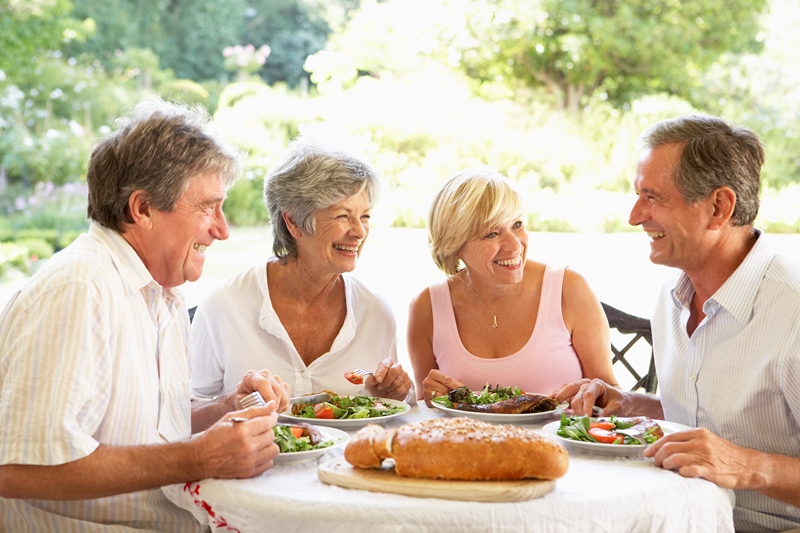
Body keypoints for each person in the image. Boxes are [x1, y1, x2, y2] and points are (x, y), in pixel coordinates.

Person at [0, 97, 291, 532]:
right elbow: (18, 467)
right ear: (142, 209)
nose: (223, 228)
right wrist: (196, 457)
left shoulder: (160, 292)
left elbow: (134, 427)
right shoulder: (80, 289)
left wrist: (224, 409)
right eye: (208, 207)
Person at [554, 115, 800, 532]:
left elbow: (731, 451)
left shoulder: (792, 311)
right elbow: (710, 420)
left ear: (719, 207)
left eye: (653, 197)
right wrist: (631, 404)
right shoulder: (672, 295)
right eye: (637, 195)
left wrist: (748, 467)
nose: (635, 216)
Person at [190, 138, 413, 403]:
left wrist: (393, 394)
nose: (360, 232)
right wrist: (231, 407)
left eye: (365, 216)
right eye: (343, 215)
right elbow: (185, 414)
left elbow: (394, 415)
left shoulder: (376, 315)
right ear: (294, 222)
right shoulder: (224, 308)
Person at [407, 168, 618, 406]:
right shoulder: (428, 307)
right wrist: (432, 399)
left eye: (517, 224)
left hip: (560, 442)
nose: (515, 245)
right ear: (454, 244)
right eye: (492, 233)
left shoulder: (568, 289)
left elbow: (613, 397)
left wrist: (593, 396)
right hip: (469, 442)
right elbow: (426, 411)